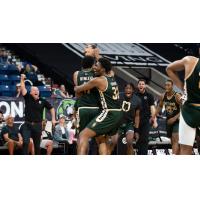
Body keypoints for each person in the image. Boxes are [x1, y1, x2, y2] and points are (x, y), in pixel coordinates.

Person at [75, 57, 123, 155]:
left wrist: (77, 87)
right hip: (117, 112)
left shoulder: (98, 80)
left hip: (108, 112)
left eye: (97, 65)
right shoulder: (111, 76)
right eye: (94, 64)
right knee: (102, 139)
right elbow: (108, 67)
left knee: (83, 135)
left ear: (103, 69)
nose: (94, 67)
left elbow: (78, 89)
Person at [166, 56, 200, 155]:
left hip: (189, 111)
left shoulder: (189, 61)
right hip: (188, 108)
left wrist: (181, 86)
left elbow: (169, 68)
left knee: (185, 151)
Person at [20, 74, 56, 155]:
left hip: (38, 125)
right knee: (26, 142)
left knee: (37, 146)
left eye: (37, 90)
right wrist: (22, 79)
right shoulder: (28, 97)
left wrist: (53, 119)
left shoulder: (42, 101)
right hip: (27, 125)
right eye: (34, 90)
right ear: (31, 92)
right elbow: (23, 88)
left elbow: (52, 108)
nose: (36, 91)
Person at [108, 83, 141, 155]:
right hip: (118, 123)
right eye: (126, 88)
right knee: (113, 142)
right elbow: (112, 109)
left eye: (130, 89)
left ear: (133, 90)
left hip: (129, 124)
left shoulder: (137, 100)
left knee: (129, 142)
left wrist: (136, 130)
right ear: (124, 89)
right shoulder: (118, 96)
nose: (128, 90)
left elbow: (137, 116)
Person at [156, 80, 181, 155]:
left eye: (168, 85)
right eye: (165, 85)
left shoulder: (177, 96)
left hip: (178, 121)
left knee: (175, 139)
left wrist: (174, 118)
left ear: (172, 86)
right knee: (172, 141)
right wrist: (155, 114)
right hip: (169, 120)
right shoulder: (163, 95)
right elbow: (160, 106)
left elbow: (183, 109)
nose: (166, 86)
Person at [135, 79, 157, 155]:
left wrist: (155, 121)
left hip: (146, 121)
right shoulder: (134, 95)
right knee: (137, 139)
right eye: (140, 84)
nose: (141, 85)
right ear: (137, 86)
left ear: (145, 86)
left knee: (144, 139)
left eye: (143, 84)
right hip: (135, 121)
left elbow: (152, 108)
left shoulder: (149, 96)